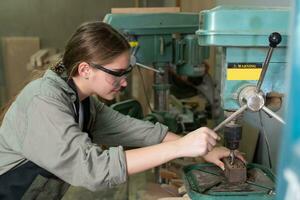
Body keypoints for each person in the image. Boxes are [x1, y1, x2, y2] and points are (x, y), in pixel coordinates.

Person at [0, 21, 244, 199]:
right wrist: (180, 148)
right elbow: (92, 170)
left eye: (126, 73)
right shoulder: (44, 102)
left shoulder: (80, 101)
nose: (124, 82)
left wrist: (202, 151)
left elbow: (132, 129)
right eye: (117, 74)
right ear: (85, 69)